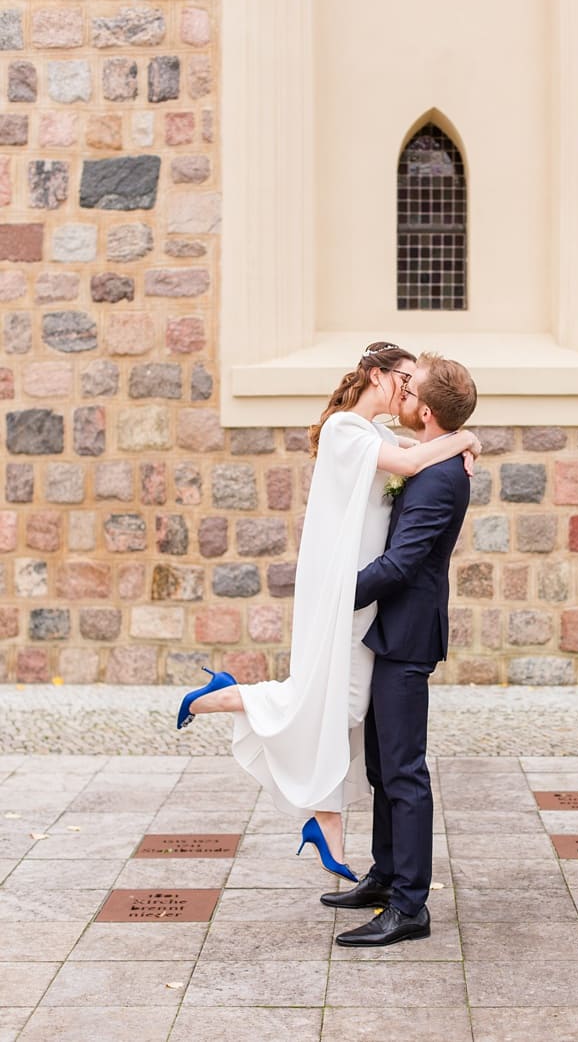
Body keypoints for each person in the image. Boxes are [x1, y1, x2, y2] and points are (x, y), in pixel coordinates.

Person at [176, 342, 481, 881]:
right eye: (402, 382)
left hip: (370, 605)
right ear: (375, 374)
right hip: (349, 594)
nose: (407, 393)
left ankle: (330, 827)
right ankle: (238, 698)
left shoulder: (382, 436)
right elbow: (414, 460)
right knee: (332, 703)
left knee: (348, 713)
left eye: (414, 388)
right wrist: (466, 438)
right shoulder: (347, 428)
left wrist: (462, 437)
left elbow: (417, 452)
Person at [322, 353, 478, 947]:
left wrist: (335, 595)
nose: (402, 396)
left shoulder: (439, 477)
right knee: (381, 766)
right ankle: (385, 876)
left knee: (405, 771)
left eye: (410, 391)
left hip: (408, 633)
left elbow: (404, 562)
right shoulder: (430, 459)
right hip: (390, 629)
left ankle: (411, 905)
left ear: (427, 411)